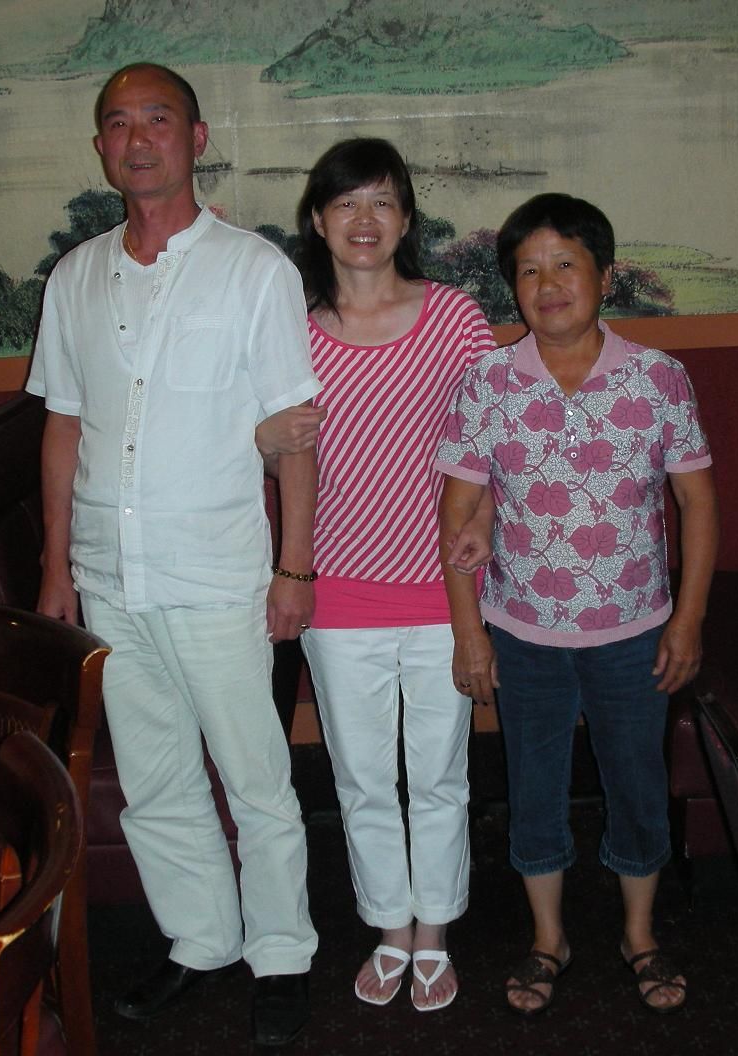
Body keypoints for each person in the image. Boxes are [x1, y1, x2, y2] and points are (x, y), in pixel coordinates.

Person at [26, 62, 319, 1048]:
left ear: (195, 138)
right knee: (154, 780)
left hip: (218, 574)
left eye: (158, 119)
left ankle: (282, 954)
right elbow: (63, 426)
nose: (137, 137)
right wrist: (56, 569)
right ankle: (201, 939)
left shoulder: (254, 270)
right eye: (118, 123)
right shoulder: (74, 277)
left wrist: (293, 568)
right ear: (100, 147)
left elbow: (294, 432)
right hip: (110, 575)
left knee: (255, 775)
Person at [434, 193, 719, 1016]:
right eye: (528, 270)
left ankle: (639, 934)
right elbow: (458, 515)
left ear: (604, 275)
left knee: (636, 780)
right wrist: (469, 634)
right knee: (534, 785)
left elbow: (698, 504)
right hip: (524, 632)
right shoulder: (488, 382)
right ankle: (548, 937)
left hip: (635, 632)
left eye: (565, 264)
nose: (548, 284)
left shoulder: (659, 378)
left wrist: (688, 619)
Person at [256, 138, 495, 1011]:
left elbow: (496, 432)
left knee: (438, 776)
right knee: (361, 780)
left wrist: (486, 522)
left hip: (441, 591)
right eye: (347, 203)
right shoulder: (287, 329)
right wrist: (260, 441)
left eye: (384, 201)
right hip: (337, 594)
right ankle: (390, 926)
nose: (366, 220)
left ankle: (435, 929)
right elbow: (266, 444)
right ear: (317, 221)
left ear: (406, 219)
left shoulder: (454, 317)